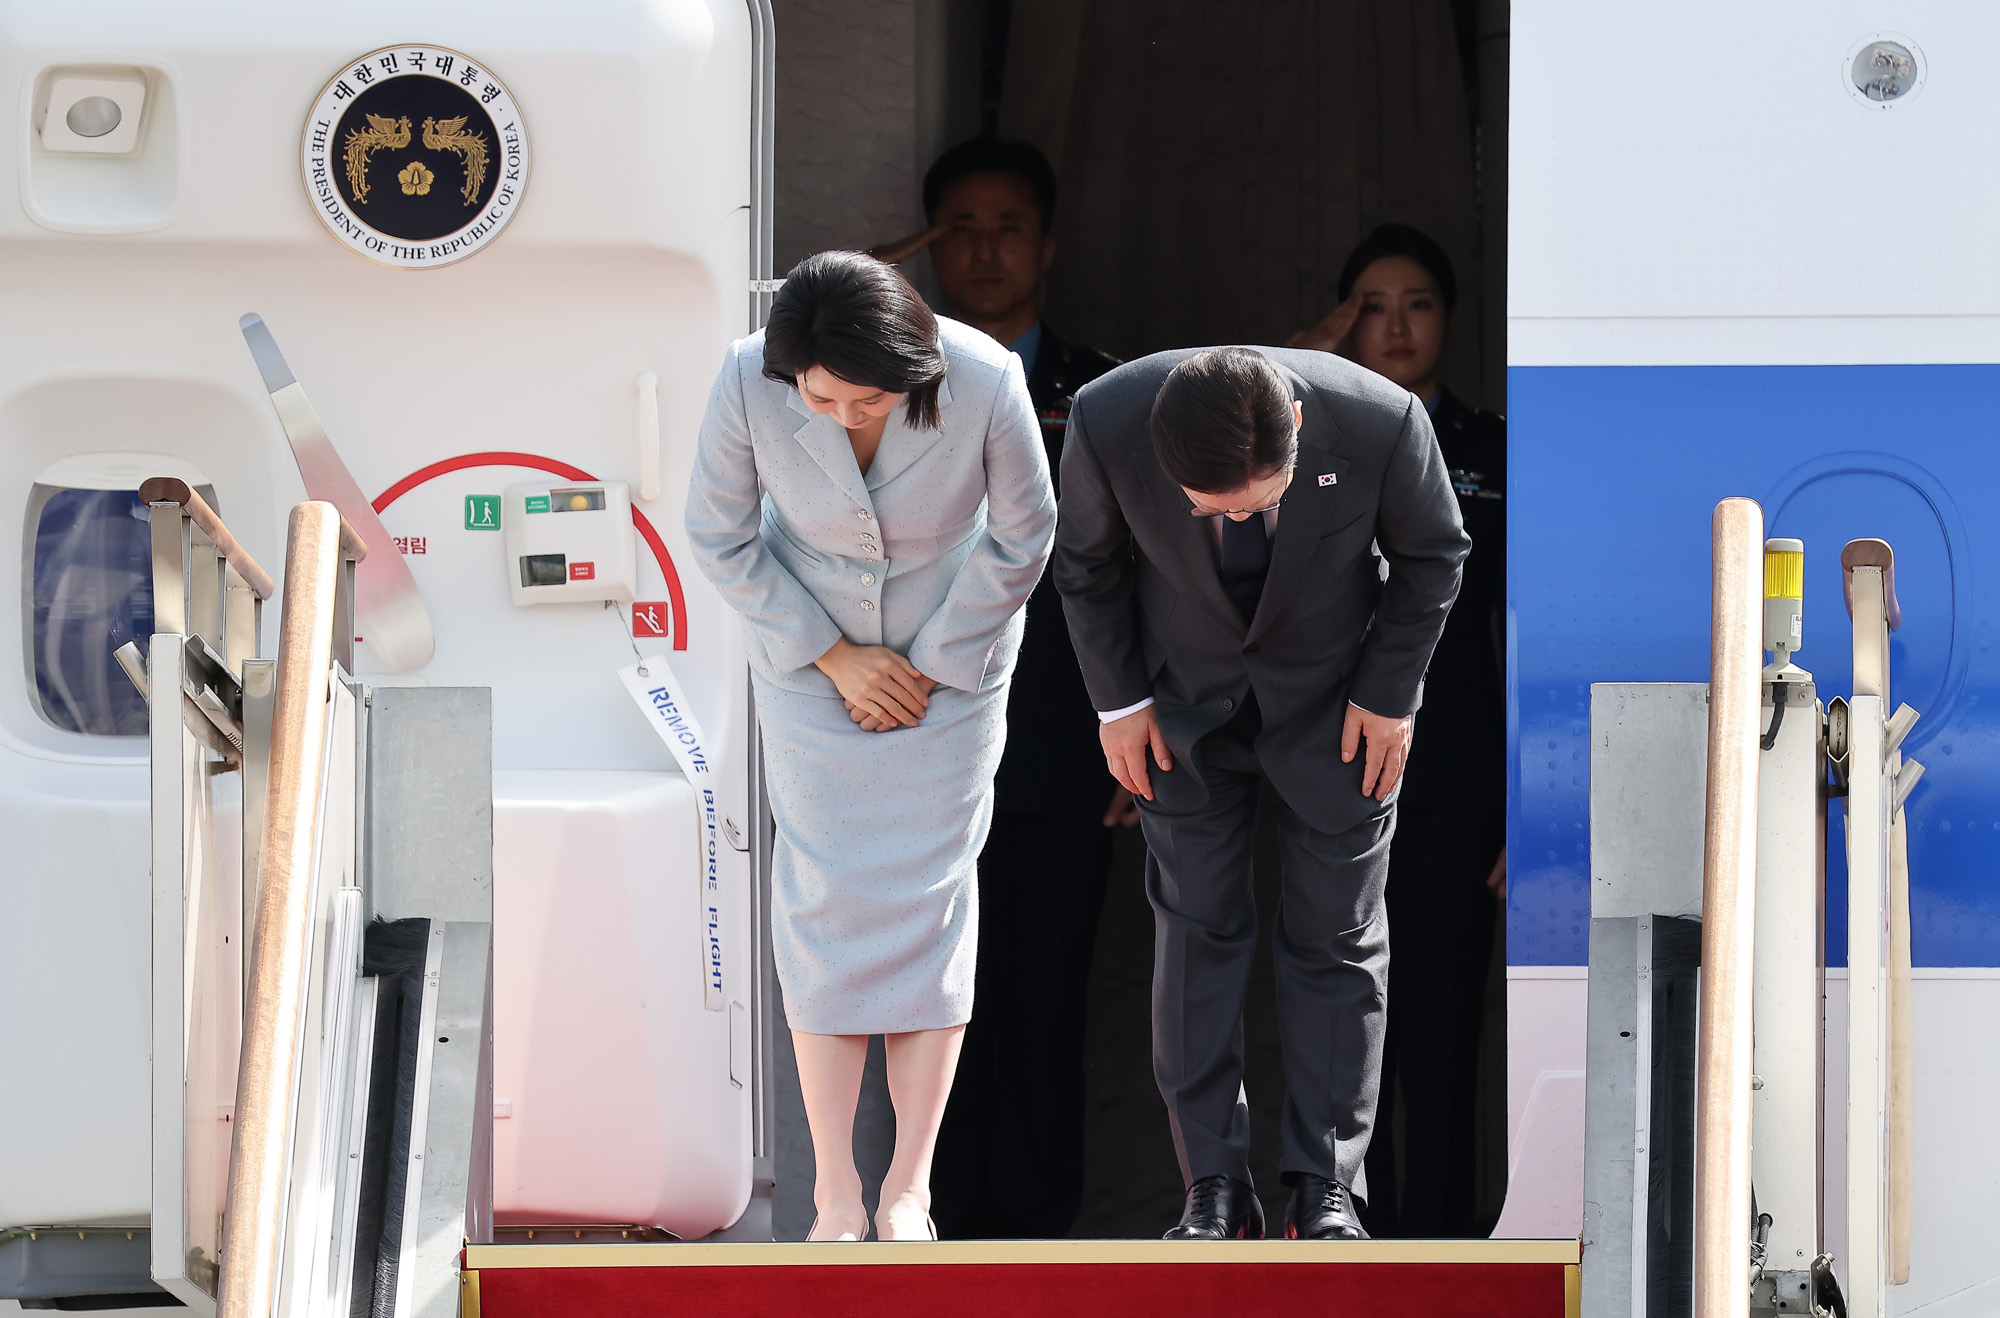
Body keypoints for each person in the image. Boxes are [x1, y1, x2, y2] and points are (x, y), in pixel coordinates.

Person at [1054, 345, 1468, 1241]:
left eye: (1260, 503)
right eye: (1218, 509)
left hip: (1339, 710)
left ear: (1302, 431)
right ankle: (1213, 1187)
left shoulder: (1382, 419)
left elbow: (1435, 555)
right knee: (1197, 931)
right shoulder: (1105, 418)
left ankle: (1325, 1189)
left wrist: (1389, 694)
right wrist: (1119, 702)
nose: (1240, 517)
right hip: (1180, 709)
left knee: (1337, 936)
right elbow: (1086, 565)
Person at [684, 250, 1056, 1242]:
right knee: (822, 896)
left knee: (932, 892)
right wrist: (832, 655)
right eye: (826, 398)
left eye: (871, 399)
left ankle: (907, 1187)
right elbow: (716, 536)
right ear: (789, 369)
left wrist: (931, 660)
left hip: (953, 658)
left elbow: (1024, 534)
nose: (849, 414)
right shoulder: (742, 373)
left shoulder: (983, 377)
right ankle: (834, 1193)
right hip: (808, 662)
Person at [868, 136, 1125, 1240]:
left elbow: (1141, 568)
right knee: (922, 997)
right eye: (957, 227)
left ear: (1047, 247)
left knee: (1042, 1001)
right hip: (911, 743)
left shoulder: (1100, 391)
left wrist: (1136, 722)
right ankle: (924, 1222)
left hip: (1063, 748)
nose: (982, 248)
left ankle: (1029, 1243)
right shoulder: (875, 379)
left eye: (1005, 225)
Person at [1291, 223, 1507, 1237]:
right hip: (1328, 777)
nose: (1394, 324)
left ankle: (1447, 1241)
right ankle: (1345, 1230)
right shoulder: (1303, 440)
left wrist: (1528, 807)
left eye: (1415, 302)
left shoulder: (1496, 448)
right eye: (1369, 306)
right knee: (1339, 1015)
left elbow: (1527, 630)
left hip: (1456, 779)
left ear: (1449, 319)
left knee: (1440, 1023)